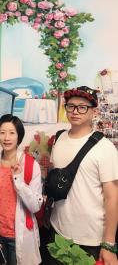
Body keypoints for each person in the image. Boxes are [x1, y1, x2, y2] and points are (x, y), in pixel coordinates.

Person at [48, 86, 118, 264]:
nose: (75, 111)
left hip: (90, 239)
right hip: (58, 232)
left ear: (93, 112)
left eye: (82, 107)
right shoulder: (59, 139)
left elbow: (112, 198)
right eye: (70, 106)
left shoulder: (105, 148)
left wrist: (108, 244)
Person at [0, 114, 43, 265]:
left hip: (20, 238)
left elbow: (35, 206)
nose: (6, 138)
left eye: (12, 133)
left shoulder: (30, 165)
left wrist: (18, 180)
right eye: (2, 133)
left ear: (19, 136)